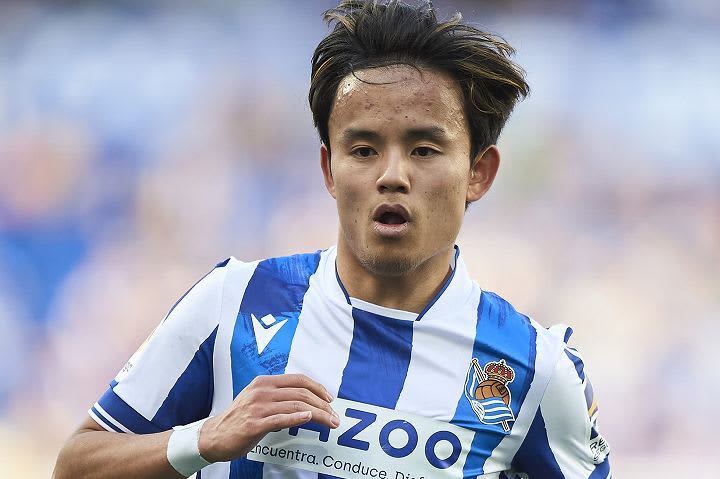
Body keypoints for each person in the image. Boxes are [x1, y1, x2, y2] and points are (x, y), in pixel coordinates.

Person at [53, 1, 611, 478]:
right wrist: (202, 438)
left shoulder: (535, 368)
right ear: (328, 169)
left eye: (424, 150)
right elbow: (76, 465)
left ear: (478, 173)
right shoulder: (233, 302)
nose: (392, 175)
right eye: (363, 150)